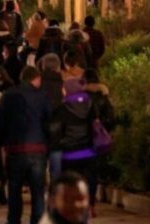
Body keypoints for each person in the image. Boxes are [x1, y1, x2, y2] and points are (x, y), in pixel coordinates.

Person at [0, 66, 50, 224]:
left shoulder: (8, 96)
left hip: (15, 150)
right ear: (37, 78)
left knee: (14, 191)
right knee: (37, 192)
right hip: (38, 150)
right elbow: (49, 123)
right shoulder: (42, 97)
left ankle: (14, 220)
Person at [51, 78, 99, 212]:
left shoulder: (62, 108)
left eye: (64, 88)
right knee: (90, 179)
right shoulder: (90, 104)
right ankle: (90, 206)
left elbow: (55, 130)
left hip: (69, 153)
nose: (62, 90)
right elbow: (95, 124)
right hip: (88, 150)